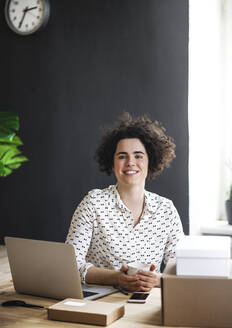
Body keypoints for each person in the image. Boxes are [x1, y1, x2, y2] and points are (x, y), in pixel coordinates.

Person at [66, 112, 184, 292]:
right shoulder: (93, 203)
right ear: (112, 164)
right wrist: (116, 278)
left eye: (138, 156)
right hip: (101, 302)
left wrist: (156, 280)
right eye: (122, 156)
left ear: (150, 161)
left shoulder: (166, 210)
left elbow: (179, 268)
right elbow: (70, 265)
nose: (130, 162)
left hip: (148, 303)